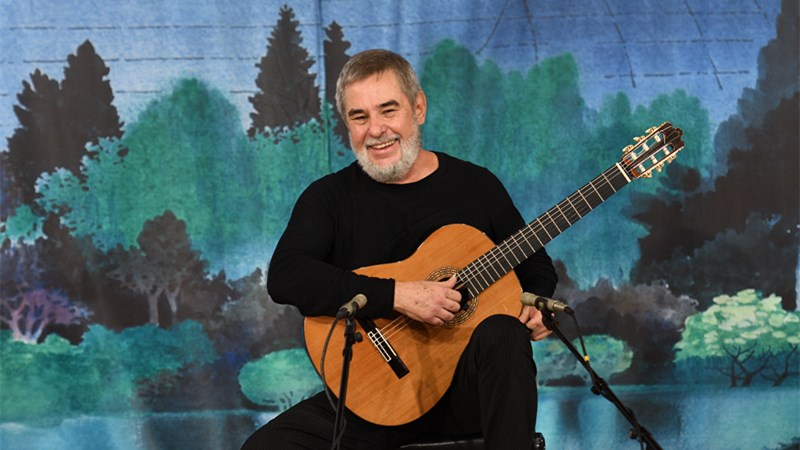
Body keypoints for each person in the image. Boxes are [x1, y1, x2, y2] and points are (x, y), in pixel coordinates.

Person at [242, 49, 557, 450]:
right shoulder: (329, 198)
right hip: (373, 401)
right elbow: (287, 276)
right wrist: (397, 295)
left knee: (504, 332)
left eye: (388, 110)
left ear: (418, 108)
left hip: (465, 395)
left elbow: (534, 264)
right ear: (347, 124)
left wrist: (538, 302)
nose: (376, 130)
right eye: (359, 117)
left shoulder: (476, 186)